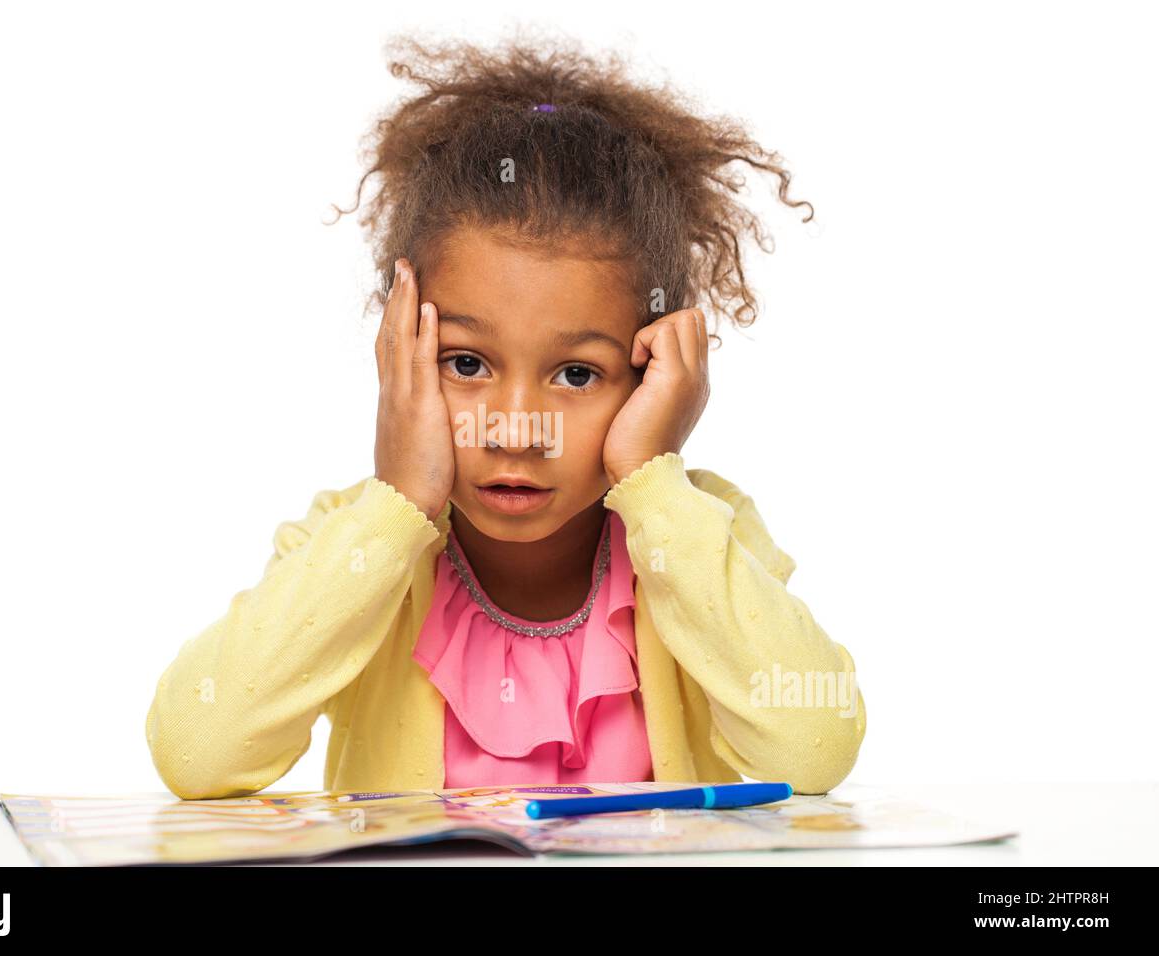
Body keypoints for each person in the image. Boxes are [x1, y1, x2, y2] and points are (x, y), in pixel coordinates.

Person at [145, 33, 866, 799]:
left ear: (655, 370)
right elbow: (197, 752)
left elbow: (814, 751)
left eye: (577, 373)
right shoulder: (356, 540)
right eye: (465, 364)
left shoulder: (695, 528)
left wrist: (655, 484)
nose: (516, 428)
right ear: (399, 352)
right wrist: (396, 506)